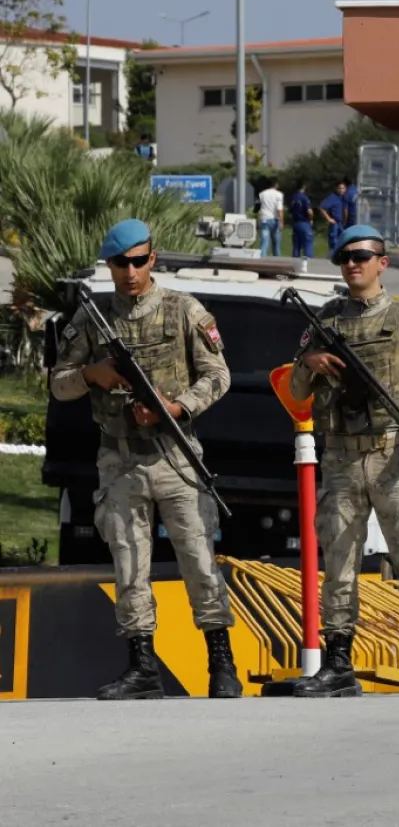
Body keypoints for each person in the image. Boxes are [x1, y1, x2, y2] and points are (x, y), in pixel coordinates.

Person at [50, 218, 241, 700]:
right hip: (119, 459)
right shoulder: (92, 319)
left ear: (152, 259)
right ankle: (142, 667)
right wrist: (93, 374)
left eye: (139, 261)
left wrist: (175, 408)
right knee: (129, 562)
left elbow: (218, 375)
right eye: (120, 263)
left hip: (175, 456)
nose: (130, 272)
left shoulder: (182, 310)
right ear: (109, 265)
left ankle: (221, 663)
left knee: (198, 558)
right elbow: (59, 383)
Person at [288, 224, 399, 698]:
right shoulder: (325, 321)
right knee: (338, 562)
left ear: (383, 262)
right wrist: (310, 363)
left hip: (393, 453)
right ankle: (338, 664)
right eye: (344, 256)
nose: (352, 263)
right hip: (341, 456)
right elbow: (297, 392)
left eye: (362, 255)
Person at [319, 179, 353, 251]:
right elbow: (322, 208)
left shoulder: (344, 198)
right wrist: (329, 219)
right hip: (335, 223)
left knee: (343, 242)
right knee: (334, 243)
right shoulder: (332, 197)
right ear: (336, 188)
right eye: (339, 188)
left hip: (342, 224)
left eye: (343, 188)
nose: (341, 190)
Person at [287, 181, 315, 260]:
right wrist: (311, 219)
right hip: (304, 222)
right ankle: (308, 263)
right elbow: (309, 211)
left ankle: (295, 263)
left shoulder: (292, 197)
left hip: (295, 223)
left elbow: (290, 210)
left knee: (296, 245)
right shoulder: (304, 197)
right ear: (304, 187)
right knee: (307, 244)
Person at [258, 178, 284, 257]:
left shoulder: (261, 194)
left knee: (264, 241)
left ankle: (262, 257)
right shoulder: (279, 194)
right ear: (275, 185)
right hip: (274, 220)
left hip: (264, 219)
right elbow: (279, 209)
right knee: (276, 243)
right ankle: (276, 258)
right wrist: (281, 221)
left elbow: (258, 206)